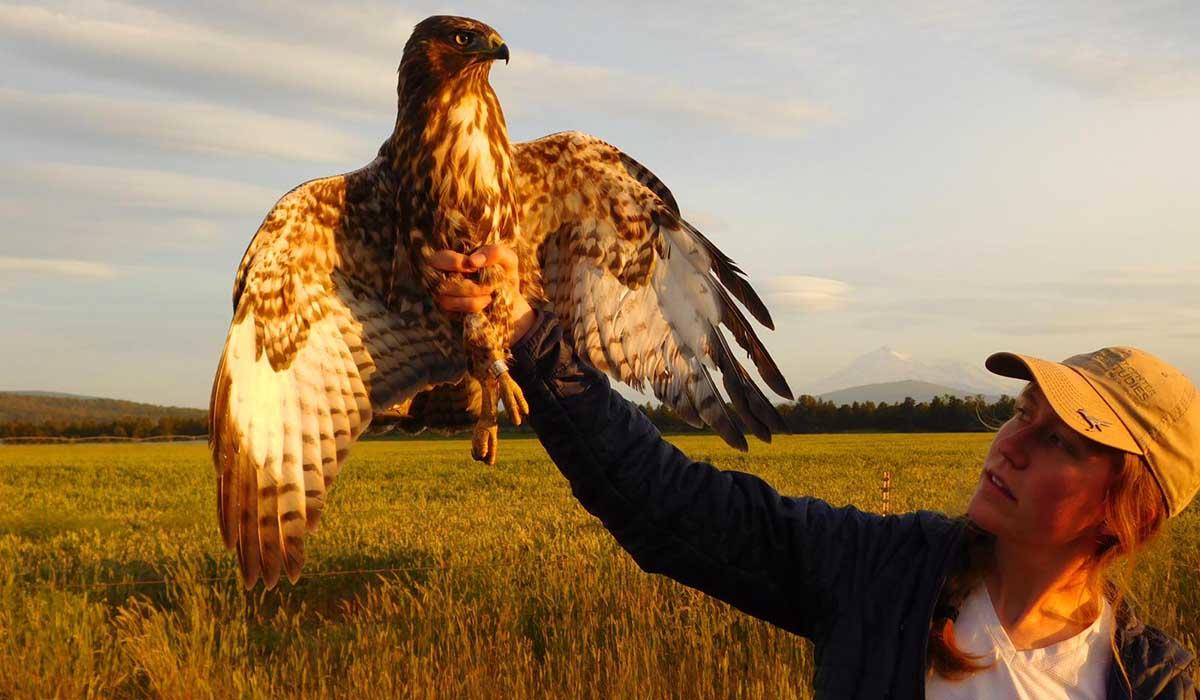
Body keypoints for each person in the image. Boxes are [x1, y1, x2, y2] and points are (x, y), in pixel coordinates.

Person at [431, 245, 1198, 698]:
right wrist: (530, 331)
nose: (1010, 444)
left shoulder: (1153, 683)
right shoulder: (880, 574)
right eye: (1021, 412)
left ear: (1128, 507)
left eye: (1064, 441)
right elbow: (664, 504)